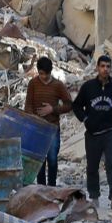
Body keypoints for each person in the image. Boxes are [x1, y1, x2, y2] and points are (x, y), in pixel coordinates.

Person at [72, 55, 112, 210]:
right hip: (92, 134)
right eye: (103, 66)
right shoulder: (88, 87)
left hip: (110, 132)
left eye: (108, 66)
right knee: (92, 167)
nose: (105, 69)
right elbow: (76, 106)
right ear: (97, 68)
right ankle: (94, 196)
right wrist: (85, 119)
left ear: (111, 69)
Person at [24, 56, 74, 185]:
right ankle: (41, 187)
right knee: (39, 160)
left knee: (52, 159)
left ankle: (52, 187)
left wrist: (53, 109)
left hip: (52, 128)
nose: (44, 77)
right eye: (41, 74)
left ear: (51, 71)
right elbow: (28, 104)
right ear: (38, 71)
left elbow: (69, 104)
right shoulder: (33, 84)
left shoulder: (58, 85)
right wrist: (32, 117)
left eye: (46, 74)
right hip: (36, 129)